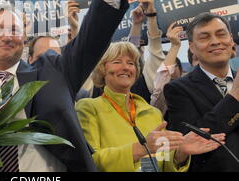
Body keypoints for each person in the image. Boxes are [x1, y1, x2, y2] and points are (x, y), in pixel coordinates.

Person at [0, 0, 129, 172]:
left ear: (25, 38)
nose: (7, 36)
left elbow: (92, 38)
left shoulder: (53, 71)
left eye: (14, 30)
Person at [76, 41, 225, 172]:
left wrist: (180, 153)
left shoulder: (152, 112)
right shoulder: (88, 108)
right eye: (117, 62)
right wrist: (141, 149)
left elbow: (164, 161)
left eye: (130, 63)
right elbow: (90, 161)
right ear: (102, 69)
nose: (125, 67)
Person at [164, 12, 239, 172]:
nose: (215, 42)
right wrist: (234, 98)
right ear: (192, 47)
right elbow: (193, 139)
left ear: (231, 40)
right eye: (205, 37)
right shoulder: (177, 89)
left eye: (221, 34)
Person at [150, 21, 184, 115]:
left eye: (174, 65)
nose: (171, 69)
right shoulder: (159, 94)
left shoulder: (191, 85)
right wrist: (175, 46)